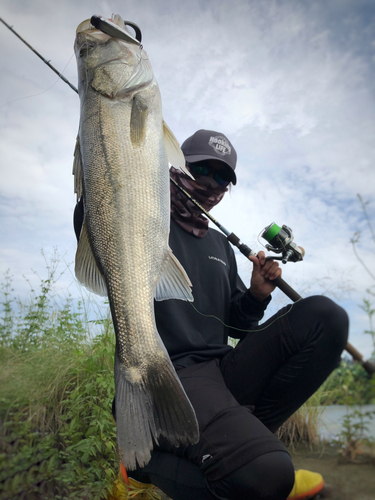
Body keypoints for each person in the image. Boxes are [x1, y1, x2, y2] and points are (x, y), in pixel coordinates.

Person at [74, 129, 349, 500]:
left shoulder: (220, 244)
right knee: (268, 478)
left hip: (221, 371)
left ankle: (248, 442)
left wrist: (255, 295)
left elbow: (238, 324)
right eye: (200, 167)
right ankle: (141, 465)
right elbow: (95, 211)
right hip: (167, 375)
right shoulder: (137, 217)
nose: (210, 181)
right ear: (176, 163)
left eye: (222, 177)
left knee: (326, 317)